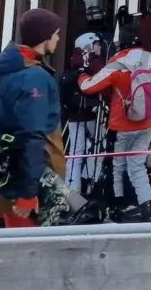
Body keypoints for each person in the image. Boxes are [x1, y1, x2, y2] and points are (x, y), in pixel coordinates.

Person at [78, 23, 151, 221]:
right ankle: (147, 208)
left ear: (120, 43)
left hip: (120, 125)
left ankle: (116, 208)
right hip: (146, 122)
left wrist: (81, 75)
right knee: (137, 166)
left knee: (117, 167)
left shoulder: (117, 63)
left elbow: (89, 87)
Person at [0, 8, 65, 228]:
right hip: (36, 183)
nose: (58, 38)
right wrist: (28, 193)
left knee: (12, 244)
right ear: (44, 36)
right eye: (55, 33)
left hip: (6, 174)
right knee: (33, 253)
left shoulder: (3, 69)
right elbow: (32, 135)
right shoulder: (34, 77)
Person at [60, 33, 106, 193]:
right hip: (93, 114)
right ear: (90, 46)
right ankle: (91, 181)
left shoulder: (73, 63)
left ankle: (72, 189)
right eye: (97, 44)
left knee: (75, 153)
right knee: (99, 146)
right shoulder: (95, 64)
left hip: (73, 116)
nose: (100, 47)